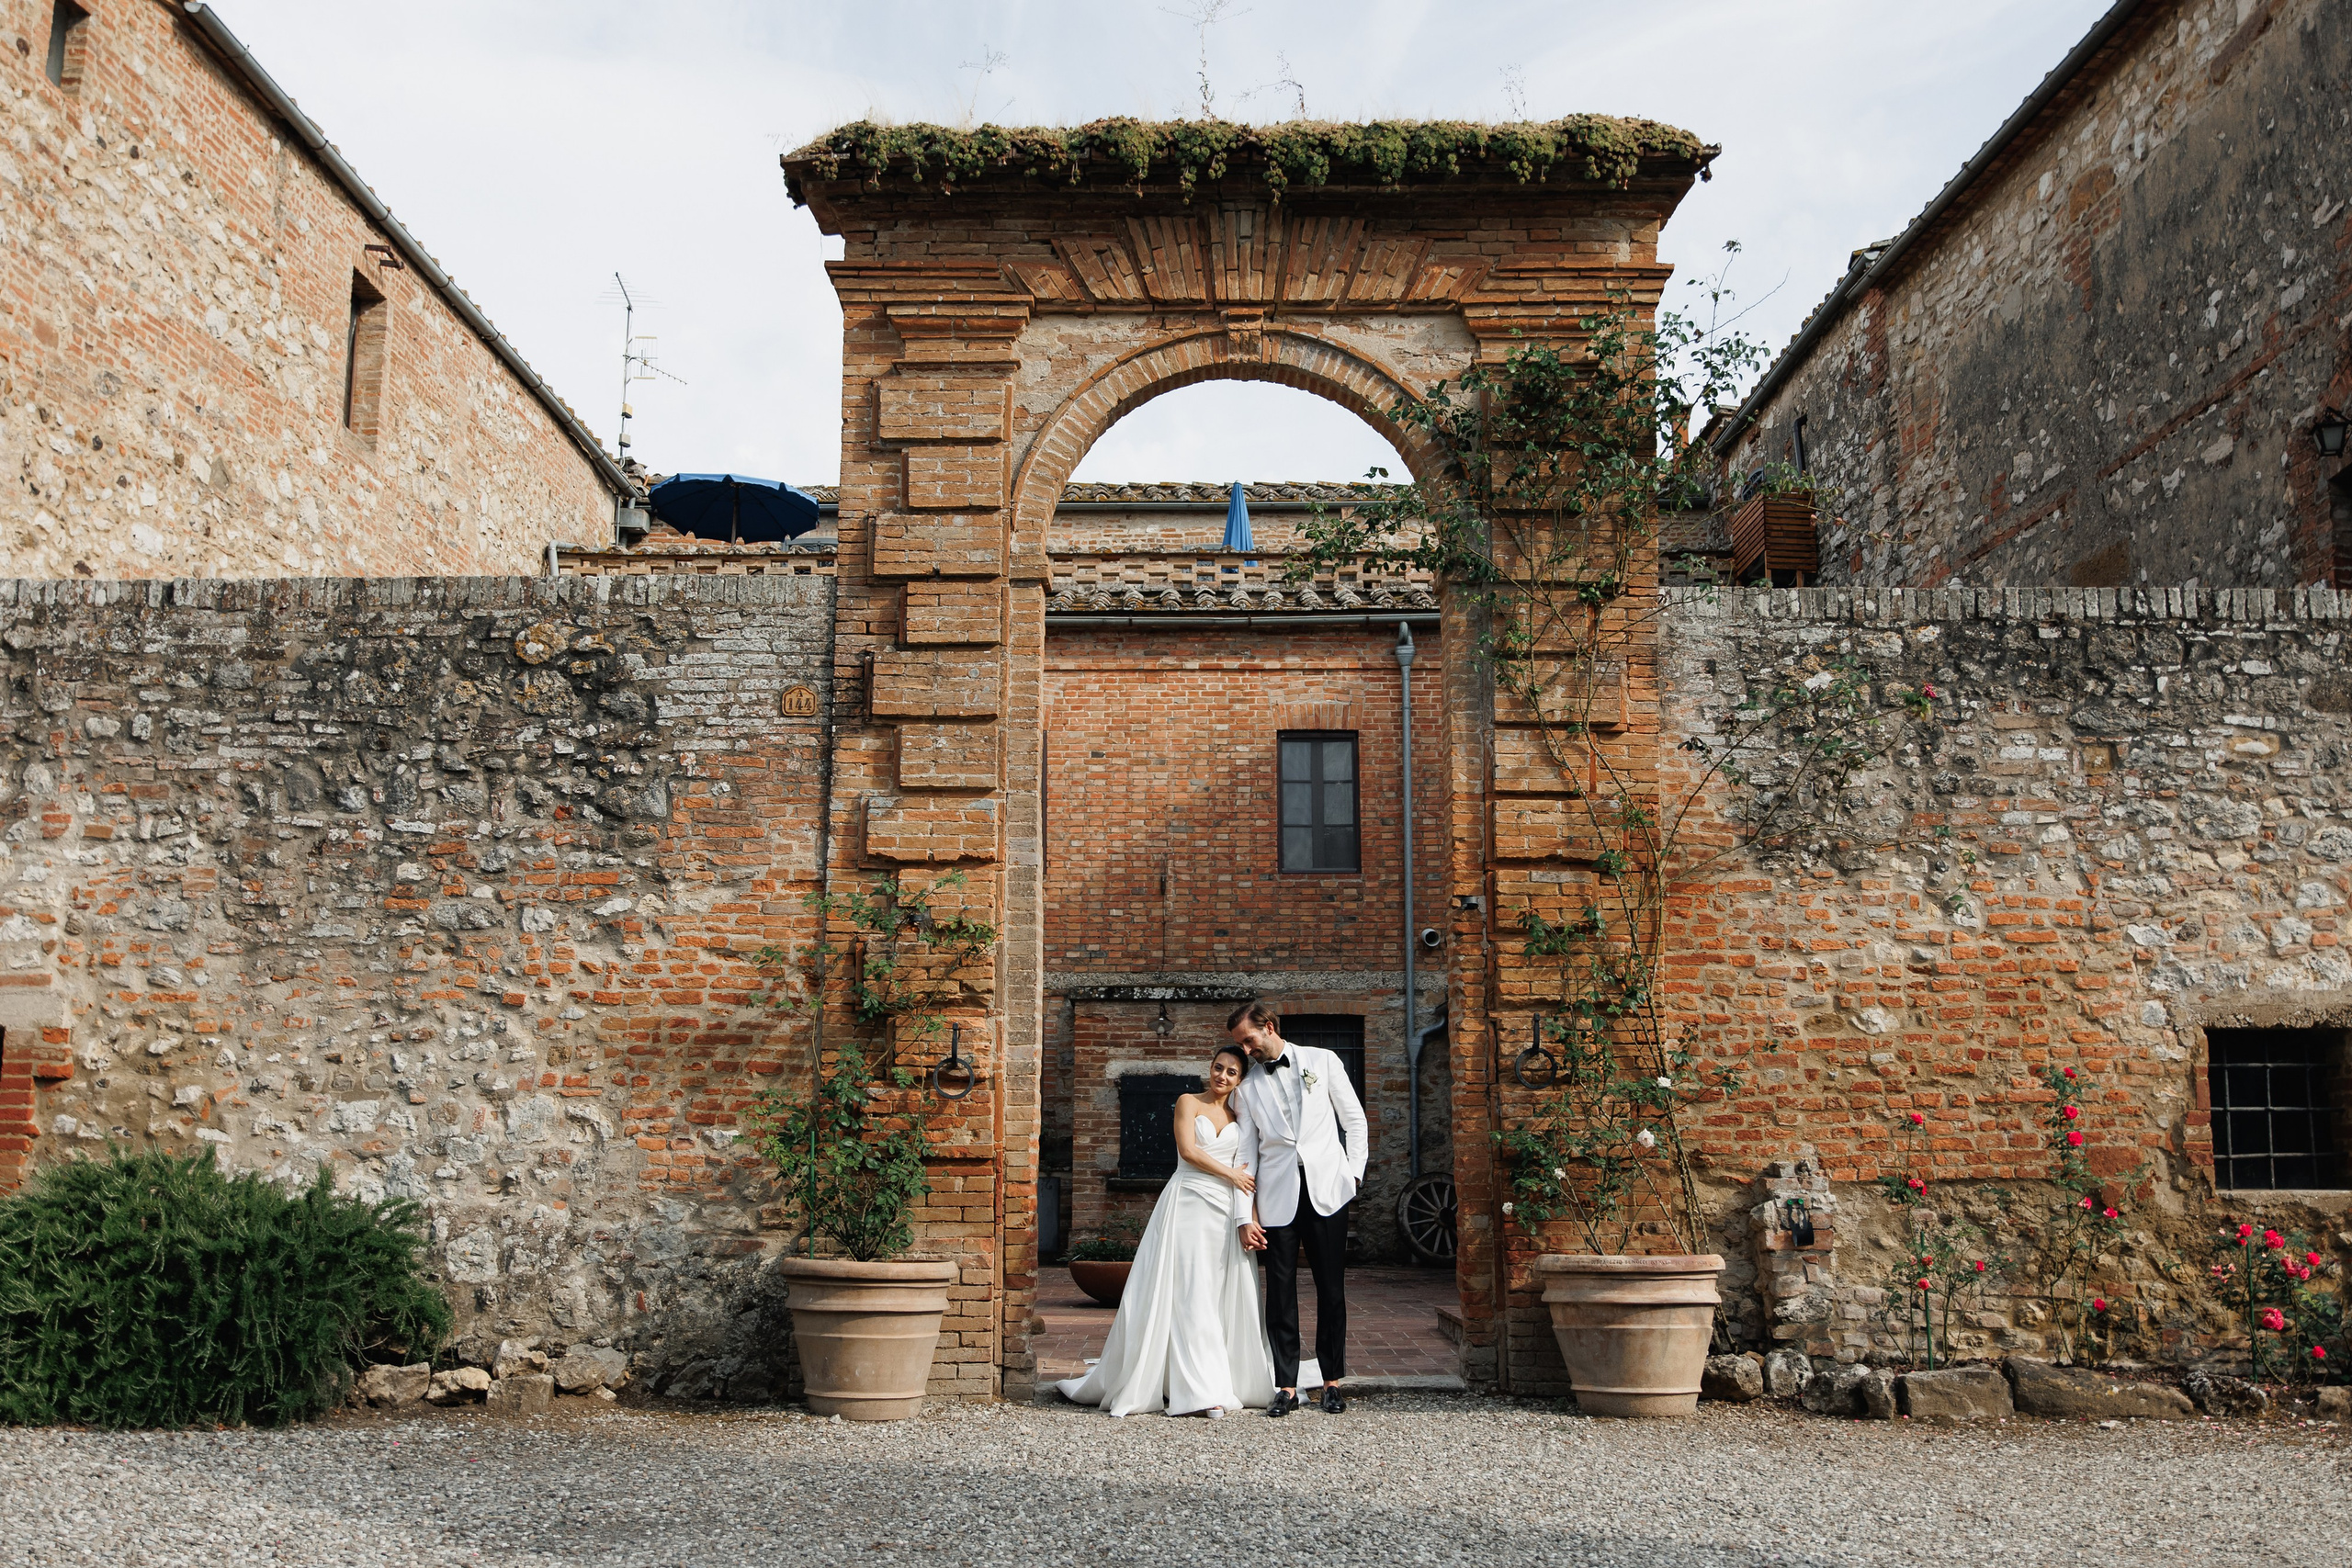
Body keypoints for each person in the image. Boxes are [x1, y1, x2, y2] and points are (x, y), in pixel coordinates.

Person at [1055, 1043, 1276, 1417]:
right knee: (1189, 1291)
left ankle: (1213, 1378)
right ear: (1210, 1067)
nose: (1222, 1076)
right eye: (1218, 1067)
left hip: (1224, 1212)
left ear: (1240, 1079)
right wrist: (1231, 1175)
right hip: (1188, 1202)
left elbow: (1249, 1171)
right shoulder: (1188, 1101)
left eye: (1231, 1072)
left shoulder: (1243, 1117)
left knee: (1216, 1293)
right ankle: (1198, 1389)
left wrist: (1247, 1215)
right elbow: (1188, 1151)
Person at [1227, 998, 1368, 1416]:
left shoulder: (1322, 1061)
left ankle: (1332, 1382)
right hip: (1277, 1197)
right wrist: (1243, 1214)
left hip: (1328, 1190)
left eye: (1249, 1041)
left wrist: (1353, 1176)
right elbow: (1246, 1156)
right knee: (1280, 1293)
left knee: (1331, 1288)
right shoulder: (1247, 1089)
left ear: (1269, 1026)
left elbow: (1354, 1121)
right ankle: (1286, 1385)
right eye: (1241, 1045)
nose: (1246, 1052)